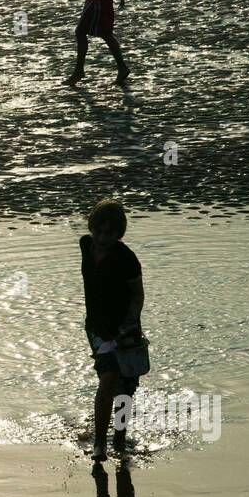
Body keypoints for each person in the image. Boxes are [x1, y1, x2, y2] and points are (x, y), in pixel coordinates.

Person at [79, 198, 146, 462]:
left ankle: (119, 438)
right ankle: (99, 444)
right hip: (97, 328)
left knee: (126, 387)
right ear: (92, 229)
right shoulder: (86, 245)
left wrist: (128, 327)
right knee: (108, 379)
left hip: (126, 326)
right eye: (99, 231)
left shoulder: (127, 259)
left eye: (110, 233)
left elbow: (138, 297)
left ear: (119, 234)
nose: (103, 238)